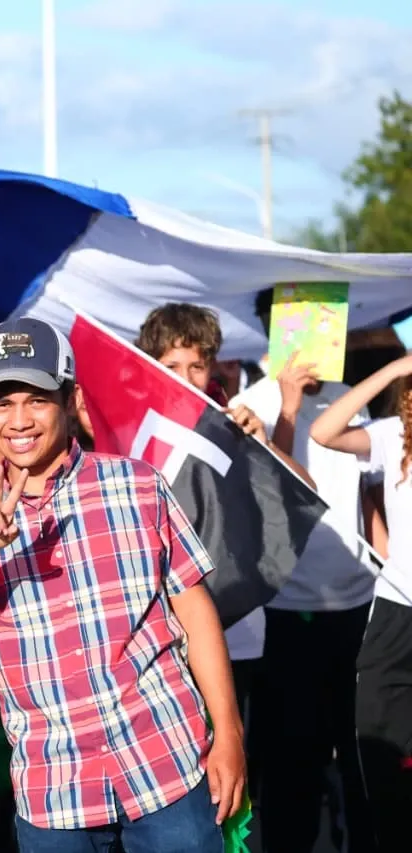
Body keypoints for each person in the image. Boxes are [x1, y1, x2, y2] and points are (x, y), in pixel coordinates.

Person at [0, 318, 244, 853]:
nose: (18, 420)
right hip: (55, 787)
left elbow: (195, 613)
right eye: (1, 403)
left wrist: (228, 734)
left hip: (165, 759)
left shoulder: (137, 485)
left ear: (69, 399)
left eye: (36, 400)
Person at [131, 303, 316, 719]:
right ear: (149, 363)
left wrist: (262, 442)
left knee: (237, 765)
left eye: (197, 365)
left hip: (236, 628)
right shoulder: (133, 429)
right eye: (171, 364)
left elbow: (303, 490)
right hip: (159, 636)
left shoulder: (230, 422)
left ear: (212, 365)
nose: (185, 378)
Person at [230, 349, 377, 852]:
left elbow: (369, 490)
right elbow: (275, 496)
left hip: (359, 605)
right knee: (294, 755)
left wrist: (379, 560)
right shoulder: (251, 403)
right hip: (286, 611)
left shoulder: (347, 400)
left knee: (362, 753)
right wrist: (287, 408)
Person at [309, 352, 412, 851]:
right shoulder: (393, 435)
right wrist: (394, 370)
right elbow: (324, 432)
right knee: (378, 747)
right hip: (396, 612)